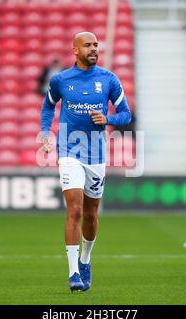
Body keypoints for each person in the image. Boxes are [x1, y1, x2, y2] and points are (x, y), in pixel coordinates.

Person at [40, 32, 132, 292]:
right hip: (68, 150)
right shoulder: (60, 80)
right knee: (76, 211)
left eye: (95, 45)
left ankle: (85, 260)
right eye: (88, 45)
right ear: (75, 50)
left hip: (96, 155)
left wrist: (108, 119)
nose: (93, 49)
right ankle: (72, 274)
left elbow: (126, 114)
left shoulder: (109, 79)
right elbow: (48, 107)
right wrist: (46, 132)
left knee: (91, 214)